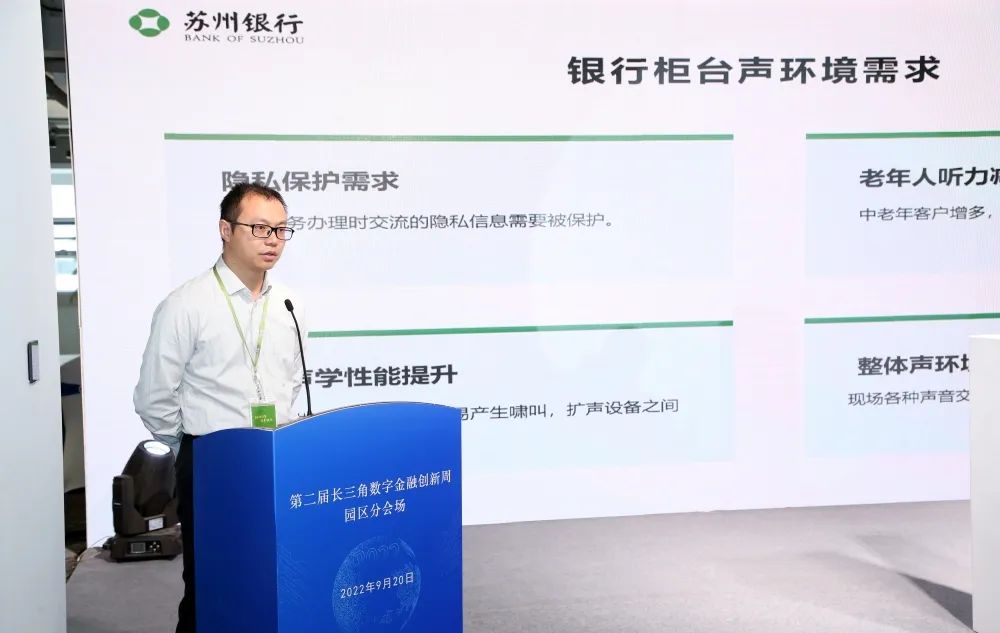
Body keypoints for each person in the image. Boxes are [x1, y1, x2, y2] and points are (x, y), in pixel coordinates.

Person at [133, 183, 306, 633]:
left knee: (275, 576)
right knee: (212, 583)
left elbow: (291, 381)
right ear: (225, 230)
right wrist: (191, 448)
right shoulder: (186, 304)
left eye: (282, 230)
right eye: (260, 228)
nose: (273, 240)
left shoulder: (289, 304)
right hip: (212, 460)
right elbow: (154, 396)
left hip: (277, 458)